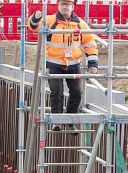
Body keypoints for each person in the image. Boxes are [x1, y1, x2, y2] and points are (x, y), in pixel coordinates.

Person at [27, 0, 99, 130]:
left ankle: (70, 122)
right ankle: (57, 121)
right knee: (57, 92)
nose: (65, 7)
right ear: (58, 5)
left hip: (73, 65)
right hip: (54, 64)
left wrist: (93, 63)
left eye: (68, 4)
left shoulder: (80, 24)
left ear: (73, 6)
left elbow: (90, 44)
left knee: (77, 92)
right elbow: (32, 27)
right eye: (62, 4)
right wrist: (35, 17)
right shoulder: (49, 21)